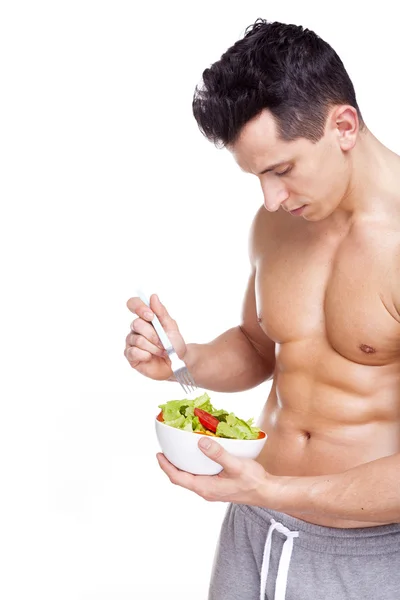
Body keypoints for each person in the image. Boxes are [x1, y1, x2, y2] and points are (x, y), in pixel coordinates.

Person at [124, 19, 400, 600]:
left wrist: (273, 491)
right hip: (253, 528)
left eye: (281, 170)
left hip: (369, 553)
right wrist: (184, 360)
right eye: (257, 176)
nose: (270, 199)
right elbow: (258, 345)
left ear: (343, 126)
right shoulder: (279, 222)